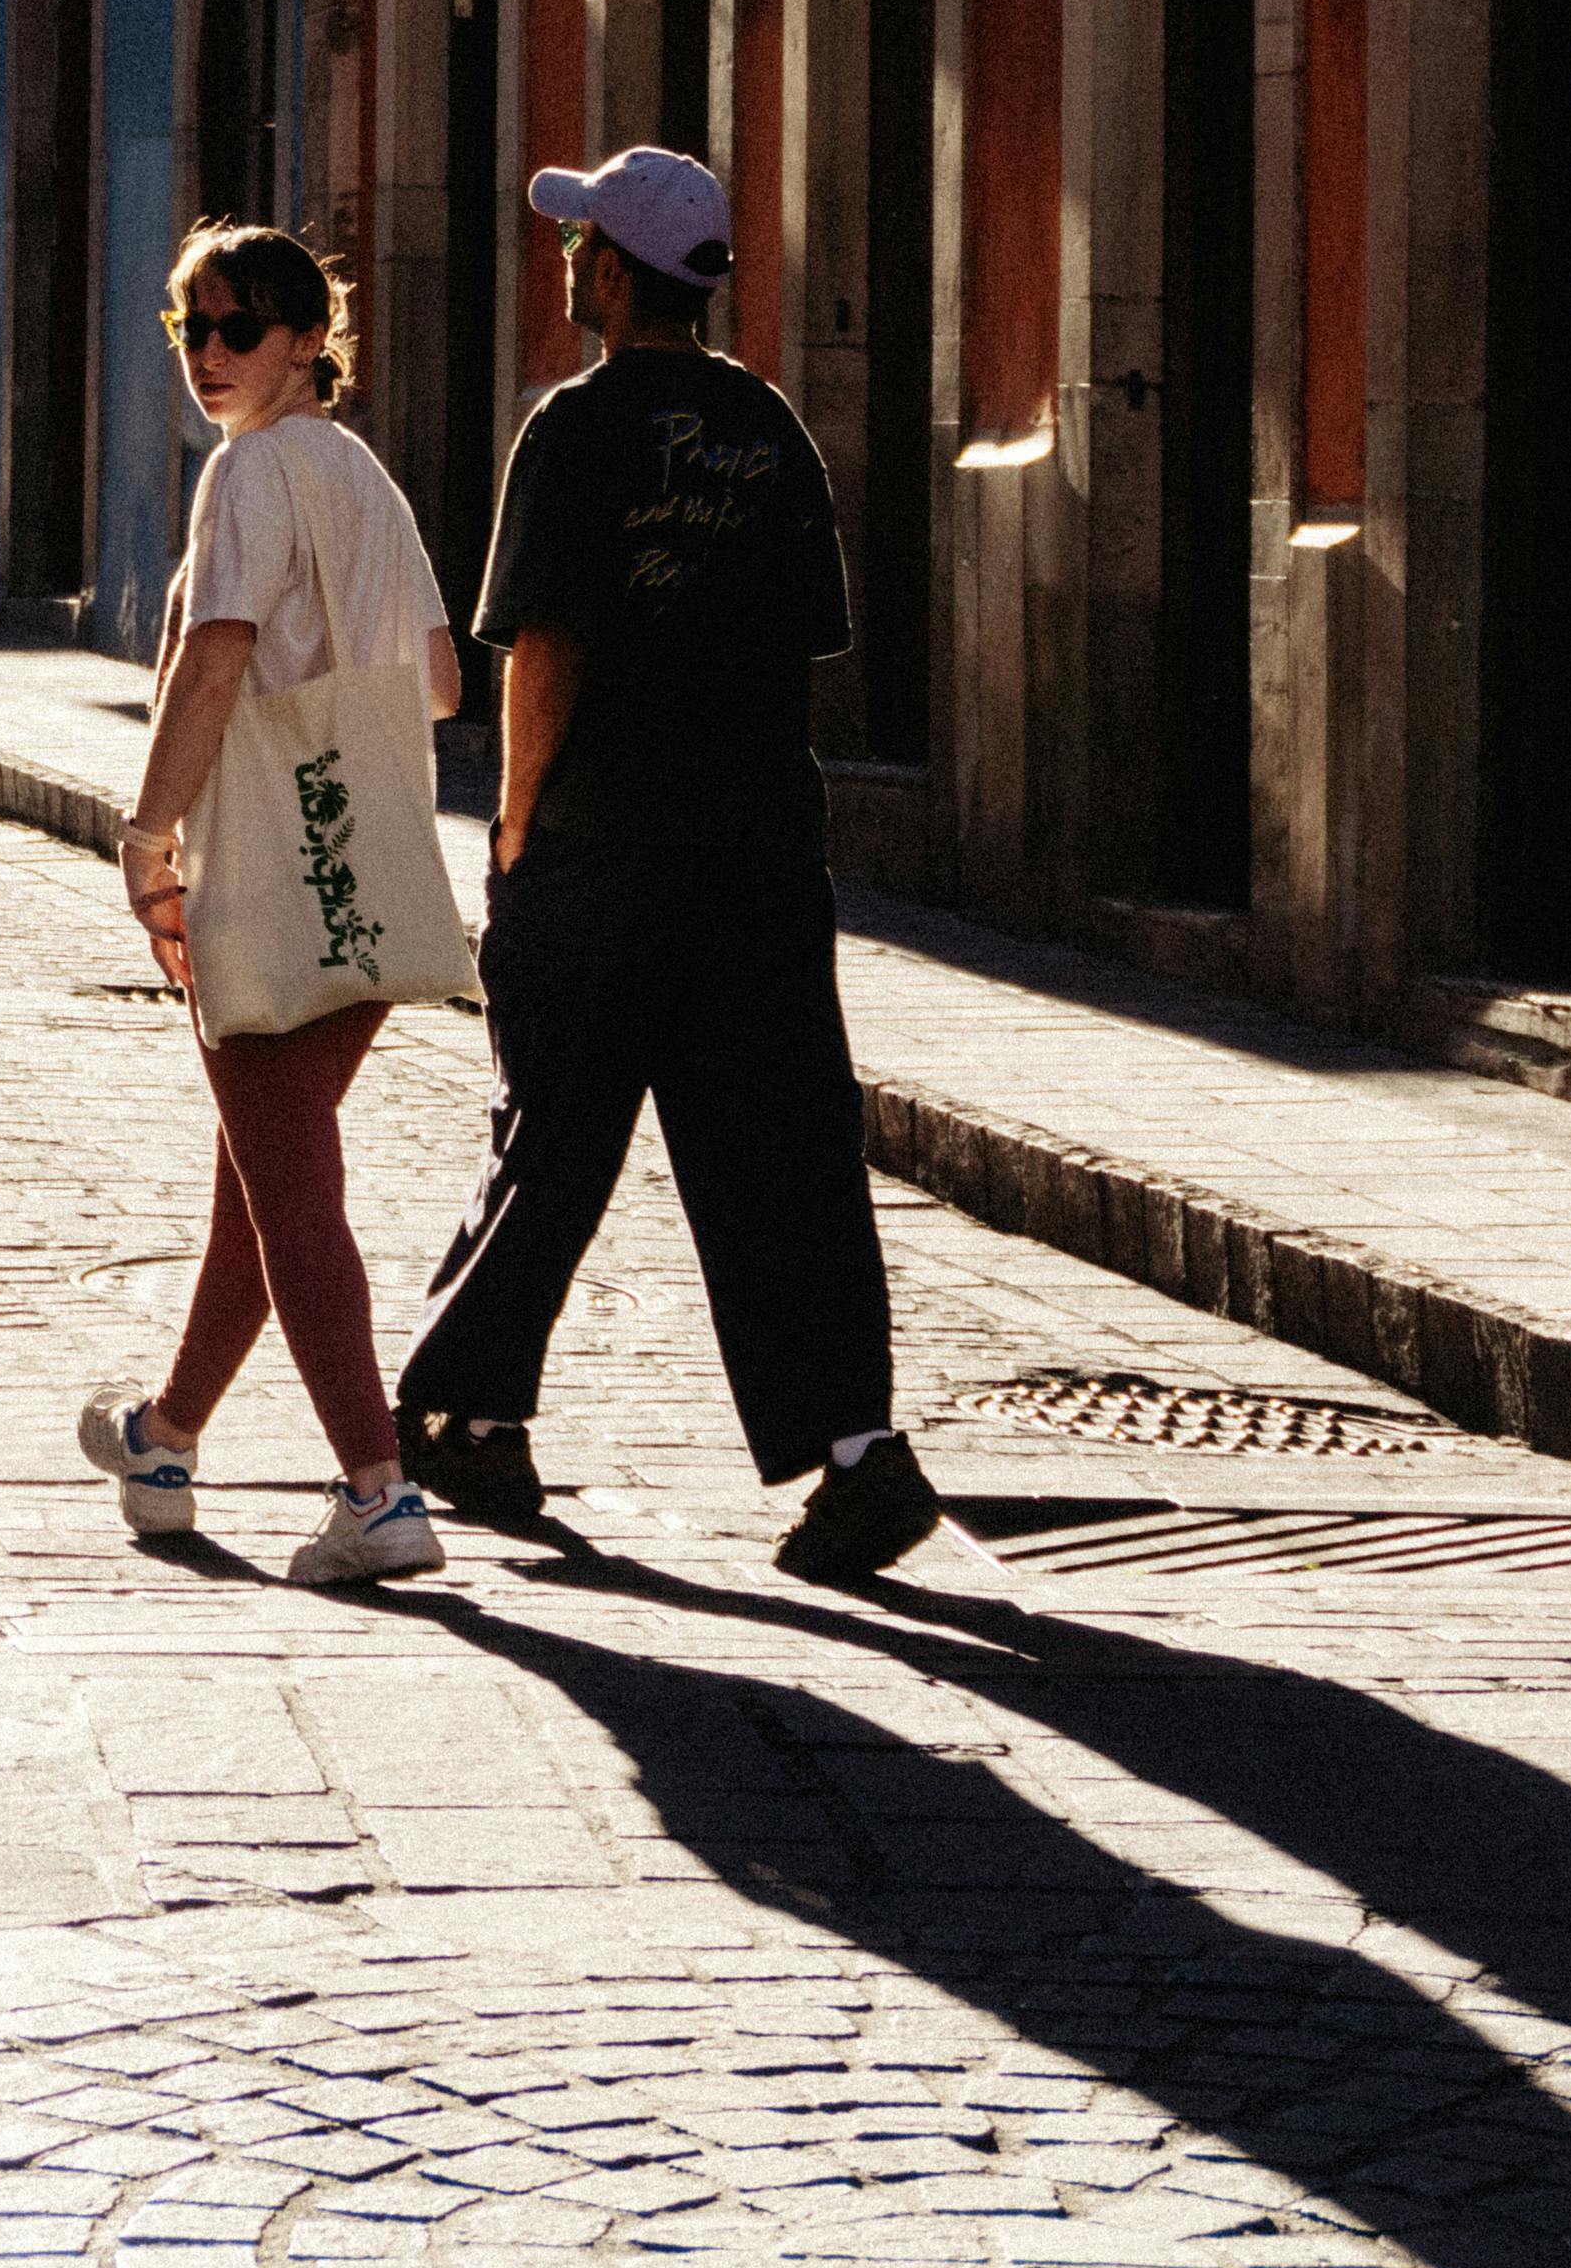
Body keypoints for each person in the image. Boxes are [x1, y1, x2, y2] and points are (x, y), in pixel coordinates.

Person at [393, 146, 943, 1585]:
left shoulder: (571, 429)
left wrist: (512, 834)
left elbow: (551, 652)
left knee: (555, 1133)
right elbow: (799, 643)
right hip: (759, 854)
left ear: (618, 272)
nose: (566, 259)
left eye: (580, 243)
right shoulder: (768, 431)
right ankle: (860, 1457)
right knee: (787, 1162)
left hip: (606, 848)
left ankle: (468, 1407)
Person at [80, 225, 465, 1593]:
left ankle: (378, 1487)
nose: (208, 357)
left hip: (261, 867)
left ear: (309, 337)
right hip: (370, 866)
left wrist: (146, 838)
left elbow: (214, 662)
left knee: (292, 1187)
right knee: (266, 1176)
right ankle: (166, 1438)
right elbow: (435, 681)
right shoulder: (362, 476)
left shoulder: (246, 476)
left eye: (236, 328)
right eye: (188, 330)